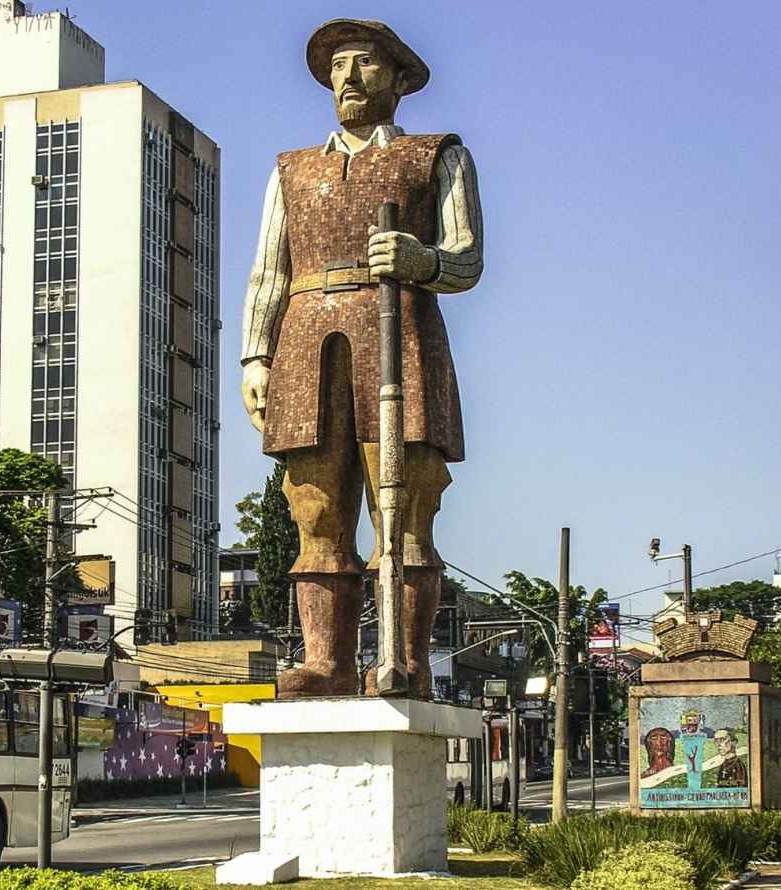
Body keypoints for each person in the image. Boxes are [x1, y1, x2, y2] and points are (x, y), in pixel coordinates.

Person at [240, 18, 485, 698]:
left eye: (366, 62)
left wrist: (424, 259)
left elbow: (467, 259)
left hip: (398, 336)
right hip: (306, 342)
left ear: (400, 79)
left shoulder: (438, 156)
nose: (348, 77)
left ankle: (402, 662)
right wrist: (254, 355)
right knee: (314, 509)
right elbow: (269, 272)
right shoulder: (293, 169)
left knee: (404, 506)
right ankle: (327, 663)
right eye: (338, 64)